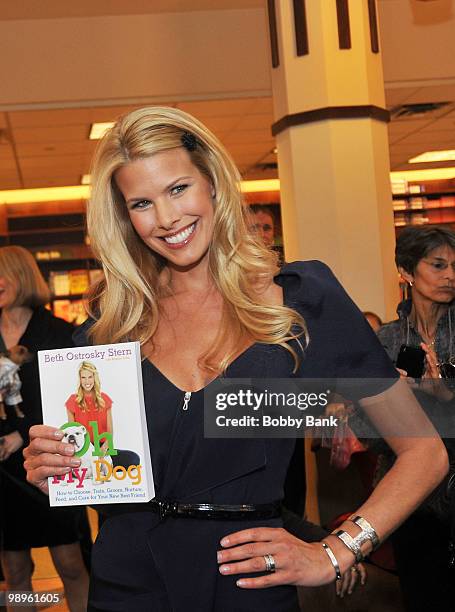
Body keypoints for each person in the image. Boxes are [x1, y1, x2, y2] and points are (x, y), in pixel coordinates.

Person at [23, 107, 447, 612]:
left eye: (178, 189)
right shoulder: (108, 329)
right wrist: (57, 466)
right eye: (142, 202)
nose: (166, 218)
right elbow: (106, 480)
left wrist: (336, 552)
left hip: (249, 587)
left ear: (214, 184)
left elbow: (426, 454)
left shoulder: (302, 300)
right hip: (126, 587)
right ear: (125, 218)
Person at [0, 246, 90, 612]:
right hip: (3, 473)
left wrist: (21, 432)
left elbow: (71, 400)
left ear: (22, 276)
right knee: (14, 568)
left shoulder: (60, 334)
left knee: (71, 563)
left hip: (49, 460)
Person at [376, 225, 455, 611]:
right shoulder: (385, 341)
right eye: (438, 265)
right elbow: (371, 433)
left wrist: (443, 395)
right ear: (406, 272)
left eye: (454, 266)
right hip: (410, 493)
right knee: (423, 593)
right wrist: (395, 401)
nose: (450, 276)